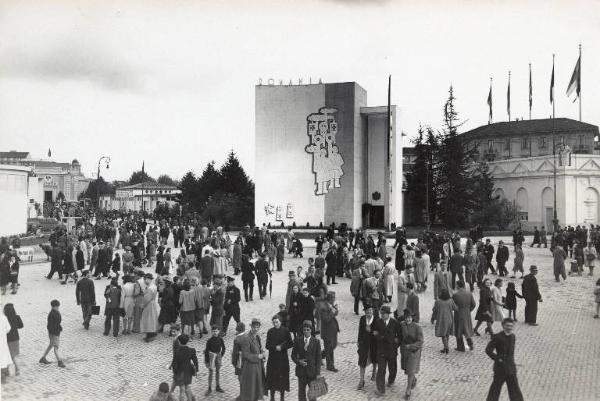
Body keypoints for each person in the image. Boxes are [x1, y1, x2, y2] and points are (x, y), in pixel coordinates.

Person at [485, 318, 524, 401]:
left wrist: (512, 364)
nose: (509, 328)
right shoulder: (497, 337)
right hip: (500, 369)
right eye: (507, 326)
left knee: (515, 390)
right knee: (495, 389)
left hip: (511, 369)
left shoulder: (513, 336)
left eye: (511, 326)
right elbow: (488, 350)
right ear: (503, 326)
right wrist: (497, 358)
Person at [373, 305, 400, 395]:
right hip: (381, 350)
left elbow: (399, 336)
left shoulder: (395, 323)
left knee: (393, 369)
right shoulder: (378, 322)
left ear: (388, 314)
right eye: (381, 313)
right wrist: (379, 336)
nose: (382, 315)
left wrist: (395, 344)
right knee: (381, 370)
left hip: (392, 350)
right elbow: (375, 333)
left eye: (384, 314)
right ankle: (381, 389)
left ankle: (391, 381)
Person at [265, 315, 293, 401]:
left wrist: (282, 347)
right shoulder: (270, 332)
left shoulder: (286, 331)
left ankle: (282, 397)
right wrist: (274, 347)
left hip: (282, 359)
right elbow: (267, 345)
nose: (275, 324)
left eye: (277, 322)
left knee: (282, 379)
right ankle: (272, 397)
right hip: (272, 359)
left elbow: (290, 343)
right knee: (272, 378)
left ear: (280, 322)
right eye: (274, 322)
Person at [291, 321, 321, 401]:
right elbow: (293, 355)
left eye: (308, 330)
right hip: (301, 373)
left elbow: (318, 359)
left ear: (311, 330)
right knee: (301, 394)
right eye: (304, 330)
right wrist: (299, 361)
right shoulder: (298, 341)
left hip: (312, 372)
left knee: (313, 395)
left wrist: (318, 373)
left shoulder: (316, 342)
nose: (306, 332)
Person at [239, 318, 267, 401]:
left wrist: (262, 353)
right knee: (251, 390)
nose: (256, 329)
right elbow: (245, 354)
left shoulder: (257, 337)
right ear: (251, 327)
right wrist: (258, 356)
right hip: (250, 368)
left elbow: (259, 348)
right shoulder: (246, 338)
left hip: (258, 366)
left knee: (257, 388)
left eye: (258, 327)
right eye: (254, 327)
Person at [399, 308, 423, 400]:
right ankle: (413, 378)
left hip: (414, 352)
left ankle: (408, 390)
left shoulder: (418, 327)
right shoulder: (402, 325)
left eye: (409, 318)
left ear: (412, 318)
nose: (408, 319)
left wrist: (412, 346)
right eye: (406, 318)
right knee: (407, 369)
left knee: (410, 370)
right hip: (405, 351)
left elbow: (421, 341)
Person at [171, 334, 198, 401]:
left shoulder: (177, 352)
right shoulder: (191, 350)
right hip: (188, 372)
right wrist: (196, 370)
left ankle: (189, 398)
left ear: (179, 342)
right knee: (187, 387)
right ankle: (193, 398)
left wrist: (174, 371)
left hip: (180, 373)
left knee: (182, 390)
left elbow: (174, 363)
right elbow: (195, 361)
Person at [356, 305, 378, 390]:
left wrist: (371, 331)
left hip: (373, 344)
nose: (369, 312)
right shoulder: (362, 319)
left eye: (370, 311)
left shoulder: (376, 320)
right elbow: (360, 330)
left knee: (374, 359)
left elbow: (377, 333)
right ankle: (361, 380)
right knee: (362, 361)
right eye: (367, 311)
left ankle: (374, 372)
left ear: (373, 311)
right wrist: (358, 341)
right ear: (365, 312)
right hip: (364, 344)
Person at [39, 299, 66, 368]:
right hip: (54, 333)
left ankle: (43, 358)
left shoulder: (56, 312)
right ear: (54, 306)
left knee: (51, 345)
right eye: (57, 306)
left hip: (55, 332)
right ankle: (60, 361)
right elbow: (50, 326)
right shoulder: (52, 314)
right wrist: (54, 333)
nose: (58, 308)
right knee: (56, 347)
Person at [318, 291, 340, 372]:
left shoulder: (330, 305)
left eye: (334, 298)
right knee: (329, 348)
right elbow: (326, 319)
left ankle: (319, 356)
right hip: (327, 332)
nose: (334, 300)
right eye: (333, 298)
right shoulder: (323, 307)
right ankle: (330, 366)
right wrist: (332, 312)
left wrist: (336, 310)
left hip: (333, 330)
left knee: (333, 346)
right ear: (329, 298)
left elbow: (335, 313)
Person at [452, 280, 476, 352]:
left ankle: (460, 347)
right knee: (466, 329)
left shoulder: (456, 294)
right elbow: (474, 304)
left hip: (458, 313)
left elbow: (453, 305)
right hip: (467, 313)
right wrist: (468, 310)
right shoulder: (469, 293)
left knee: (458, 330)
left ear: (458, 285)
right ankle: (470, 344)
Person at [431, 289, 456, 354]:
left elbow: (434, 310)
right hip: (450, 319)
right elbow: (455, 308)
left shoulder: (438, 301)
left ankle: (446, 347)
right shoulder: (451, 301)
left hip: (441, 320)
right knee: (447, 334)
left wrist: (432, 318)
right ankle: (445, 347)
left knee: (443, 334)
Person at [204, 325, 226, 395]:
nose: (215, 332)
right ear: (211, 332)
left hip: (218, 356)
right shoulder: (209, 341)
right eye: (213, 331)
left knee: (218, 371)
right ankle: (209, 388)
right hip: (211, 357)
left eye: (216, 331)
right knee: (211, 372)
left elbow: (224, 348)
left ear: (219, 331)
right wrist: (207, 361)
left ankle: (217, 386)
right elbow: (206, 351)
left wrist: (221, 355)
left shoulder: (220, 339)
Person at [4, 304, 23, 377]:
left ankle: (14, 370)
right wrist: (15, 326)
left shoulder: (5, 318)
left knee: (10, 356)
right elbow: (21, 326)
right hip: (16, 338)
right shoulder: (17, 317)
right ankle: (15, 370)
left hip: (8, 339)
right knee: (13, 355)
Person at [141, 273, 160, 342]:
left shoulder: (150, 288)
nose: (144, 281)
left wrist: (143, 305)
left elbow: (147, 299)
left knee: (148, 319)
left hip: (149, 304)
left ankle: (149, 335)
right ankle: (152, 333)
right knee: (152, 318)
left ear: (149, 279)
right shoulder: (154, 286)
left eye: (145, 279)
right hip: (153, 303)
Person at [232, 322, 246, 401]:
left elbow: (235, 353)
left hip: (240, 362)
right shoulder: (247, 336)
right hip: (247, 361)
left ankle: (242, 395)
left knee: (240, 379)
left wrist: (234, 363)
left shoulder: (237, 339)